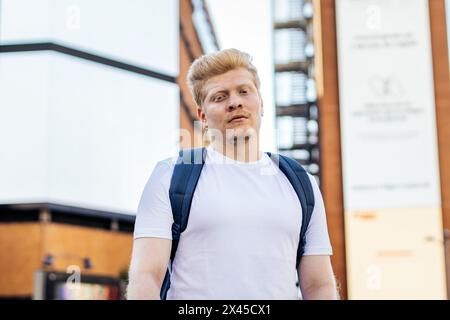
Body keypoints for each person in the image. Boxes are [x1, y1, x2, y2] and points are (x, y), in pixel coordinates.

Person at [127, 48, 338, 300]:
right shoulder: (170, 176)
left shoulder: (300, 182)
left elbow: (319, 285)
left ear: (260, 102)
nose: (235, 102)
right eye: (219, 97)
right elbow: (146, 277)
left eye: (244, 91)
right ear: (202, 116)